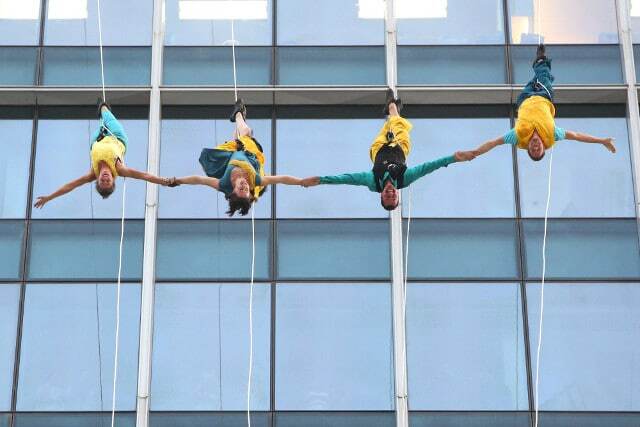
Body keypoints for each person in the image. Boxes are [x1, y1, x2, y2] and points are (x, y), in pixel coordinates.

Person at [301, 89, 476, 210]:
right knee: (399, 125)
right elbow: (428, 167)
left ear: (381, 196)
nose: (391, 193)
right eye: (394, 197)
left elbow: (347, 179)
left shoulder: (372, 181)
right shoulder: (404, 179)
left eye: (387, 197)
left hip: (378, 148)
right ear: (397, 195)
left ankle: (392, 109)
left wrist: (320, 180)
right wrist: (453, 158)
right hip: (401, 146)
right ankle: (392, 108)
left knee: (391, 125)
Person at [469, 45, 616, 161]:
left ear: (528, 148)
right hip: (543, 96)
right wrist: (601, 141)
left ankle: (539, 66)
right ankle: (541, 59)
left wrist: (475, 152)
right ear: (544, 146)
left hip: (525, 98)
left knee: (536, 78)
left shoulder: (517, 137)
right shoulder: (552, 134)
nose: (535, 147)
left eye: (532, 150)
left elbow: (493, 143)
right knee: (544, 75)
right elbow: (577, 135)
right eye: (538, 149)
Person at [171, 99, 304, 216]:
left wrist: (178, 180)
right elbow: (282, 178)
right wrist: (301, 182)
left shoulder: (223, 184)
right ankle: (239, 115)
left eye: (241, 188)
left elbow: (198, 179)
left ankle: (238, 115)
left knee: (241, 135)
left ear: (233, 191)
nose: (245, 185)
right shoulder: (256, 180)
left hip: (234, 152)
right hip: (252, 154)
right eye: (246, 189)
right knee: (246, 133)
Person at [34, 103, 174, 208]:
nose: (105, 179)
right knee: (105, 111)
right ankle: (103, 107)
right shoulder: (119, 169)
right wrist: (162, 181)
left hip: (98, 138)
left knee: (102, 119)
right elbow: (144, 176)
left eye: (102, 182)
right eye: (108, 182)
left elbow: (70, 186)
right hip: (117, 135)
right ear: (113, 180)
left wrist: (49, 198)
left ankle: (102, 112)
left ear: (98, 180)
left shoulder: (92, 174)